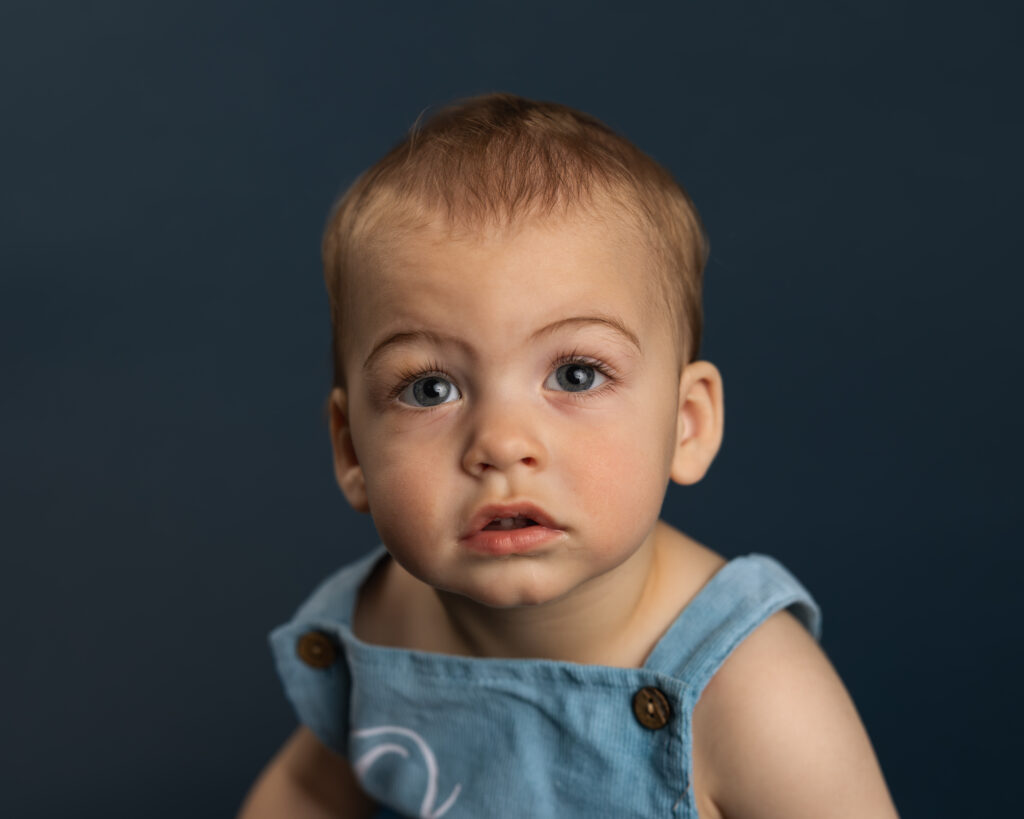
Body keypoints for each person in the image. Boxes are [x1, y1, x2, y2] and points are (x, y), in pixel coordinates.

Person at [238, 93, 899, 818]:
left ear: (686, 424)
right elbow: (310, 791)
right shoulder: (385, 622)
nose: (501, 443)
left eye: (576, 375)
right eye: (431, 389)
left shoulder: (755, 692)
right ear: (351, 451)